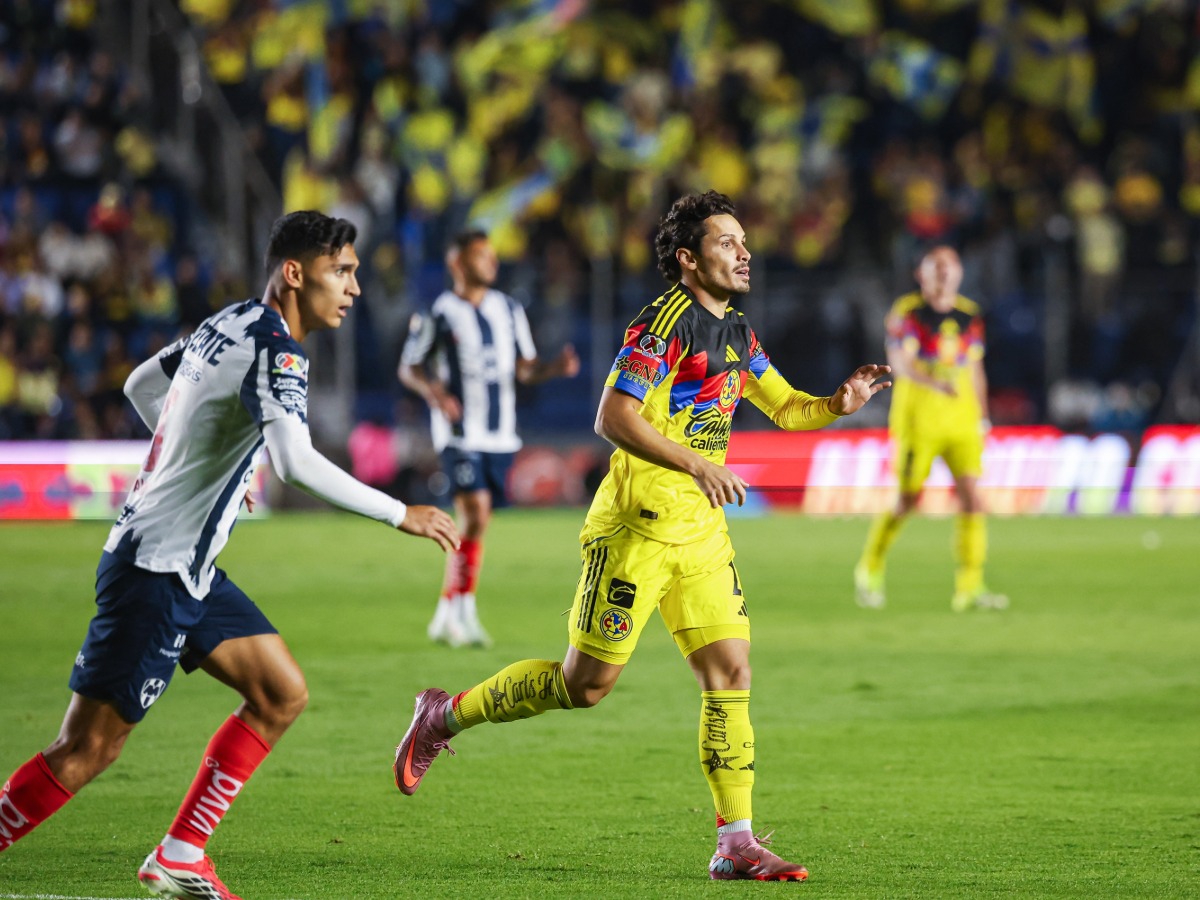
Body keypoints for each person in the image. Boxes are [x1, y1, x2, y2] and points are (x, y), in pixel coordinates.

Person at [392, 191, 891, 881]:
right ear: (689, 259)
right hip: (637, 530)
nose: (744, 251)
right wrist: (695, 462)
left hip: (701, 535)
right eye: (726, 242)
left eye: (744, 240)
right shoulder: (664, 326)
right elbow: (613, 416)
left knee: (731, 672)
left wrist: (837, 404)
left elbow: (783, 406)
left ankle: (735, 841)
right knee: (584, 686)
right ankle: (443, 715)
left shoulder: (738, 333)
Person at [0, 211, 458, 899]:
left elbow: (140, 388)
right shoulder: (278, 347)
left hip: (188, 568)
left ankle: (181, 853)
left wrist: (212, 463)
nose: (354, 288)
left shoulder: (228, 321)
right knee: (87, 749)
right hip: (155, 571)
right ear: (296, 274)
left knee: (280, 693)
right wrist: (402, 513)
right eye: (343, 272)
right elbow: (295, 462)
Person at [398, 229, 579, 648]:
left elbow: (525, 368)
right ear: (457, 263)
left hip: (500, 434)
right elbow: (410, 366)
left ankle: (449, 611)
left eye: (492, 255)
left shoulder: (509, 309)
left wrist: (555, 368)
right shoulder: (439, 312)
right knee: (475, 511)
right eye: (482, 255)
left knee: (478, 521)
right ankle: (463, 612)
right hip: (460, 432)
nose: (491, 263)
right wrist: (436, 394)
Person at [854, 245, 1008, 612]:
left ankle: (970, 586)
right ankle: (870, 565)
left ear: (959, 274)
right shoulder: (908, 314)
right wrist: (937, 384)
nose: (943, 273)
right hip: (918, 421)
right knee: (908, 500)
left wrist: (983, 416)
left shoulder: (969, 316)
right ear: (920, 274)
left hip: (962, 420)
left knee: (972, 497)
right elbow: (900, 365)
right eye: (935, 267)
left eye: (950, 266)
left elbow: (975, 369)